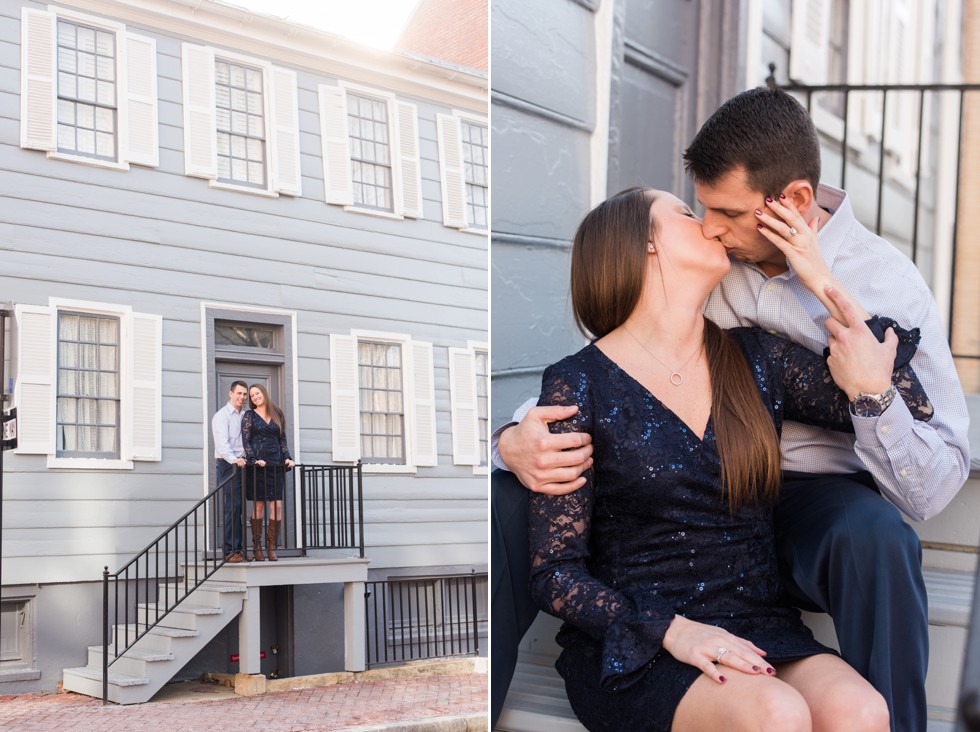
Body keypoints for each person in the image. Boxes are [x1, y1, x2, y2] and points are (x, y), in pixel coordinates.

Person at [493, 87, 971, 731]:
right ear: (650, 252)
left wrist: (822, 282)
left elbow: (916, 440)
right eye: (693, 213)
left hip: (806, 516)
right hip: (658, 601)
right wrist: (508, 440)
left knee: (865, 677)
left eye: (720, 212)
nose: (710, 225)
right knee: (508, 499)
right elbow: (603, 380)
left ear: (794, 203)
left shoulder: (844, 306)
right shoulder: (693, 296)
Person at [242, 384, 294, 562]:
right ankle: (257, 547)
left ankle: (271, 547)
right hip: (258, 466)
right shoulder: (249, 415)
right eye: (252, 396)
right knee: (259, 506)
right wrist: (254, 460)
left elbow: (283, 439)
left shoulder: (277, 413)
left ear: (264, 393)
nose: (255, 397)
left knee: (277, 505)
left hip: (275, 465)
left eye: (257, 393)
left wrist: (287, 457)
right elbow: (246, 441)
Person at [212, 380, 249, 564]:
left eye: (244, 394)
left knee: (240, 508)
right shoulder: (222, 416)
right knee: (232, 507)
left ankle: (239, 550)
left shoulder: (245, 416)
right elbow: (222, 443)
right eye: (239, 393)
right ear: (230, 393)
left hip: (243, 464)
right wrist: (234, 460)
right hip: (228, 464)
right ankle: (229, 551)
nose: (242, 397)